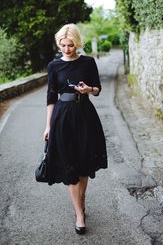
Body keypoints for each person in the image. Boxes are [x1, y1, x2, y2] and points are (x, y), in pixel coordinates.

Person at [43, 23, 107, 235]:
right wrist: (48, 126)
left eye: (71, 45)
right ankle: (79, 213)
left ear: (77, 44)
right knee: (69, 164)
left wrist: (89, 89)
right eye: (63, 45)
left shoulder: (88, 62)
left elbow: (97, 88)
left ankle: (81, 200)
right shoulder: (54, 66)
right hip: (62, 117)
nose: (67, 49)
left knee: (83, 163)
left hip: (85, 116)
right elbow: (51, 98)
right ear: (59, 44)